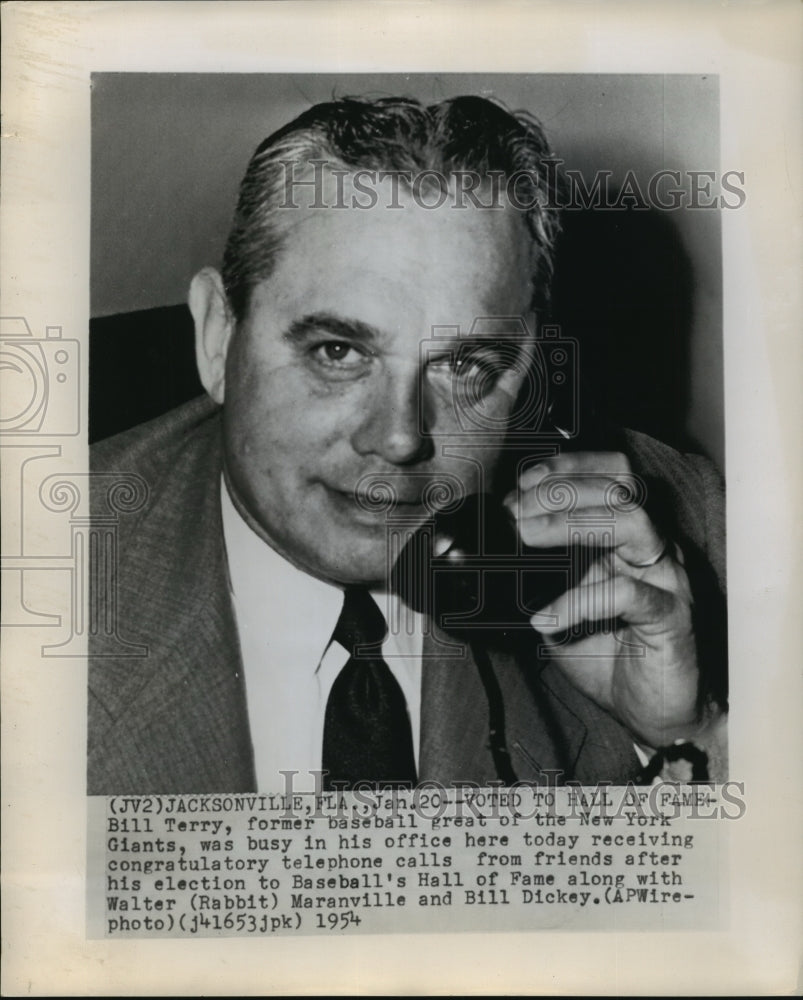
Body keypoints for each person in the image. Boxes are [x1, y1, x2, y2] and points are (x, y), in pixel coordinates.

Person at [87, 95, 727, 794]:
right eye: (337, 351)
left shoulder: (681, 526)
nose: (397, 437)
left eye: (460, 366)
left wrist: (676, 737)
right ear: (217, 337)